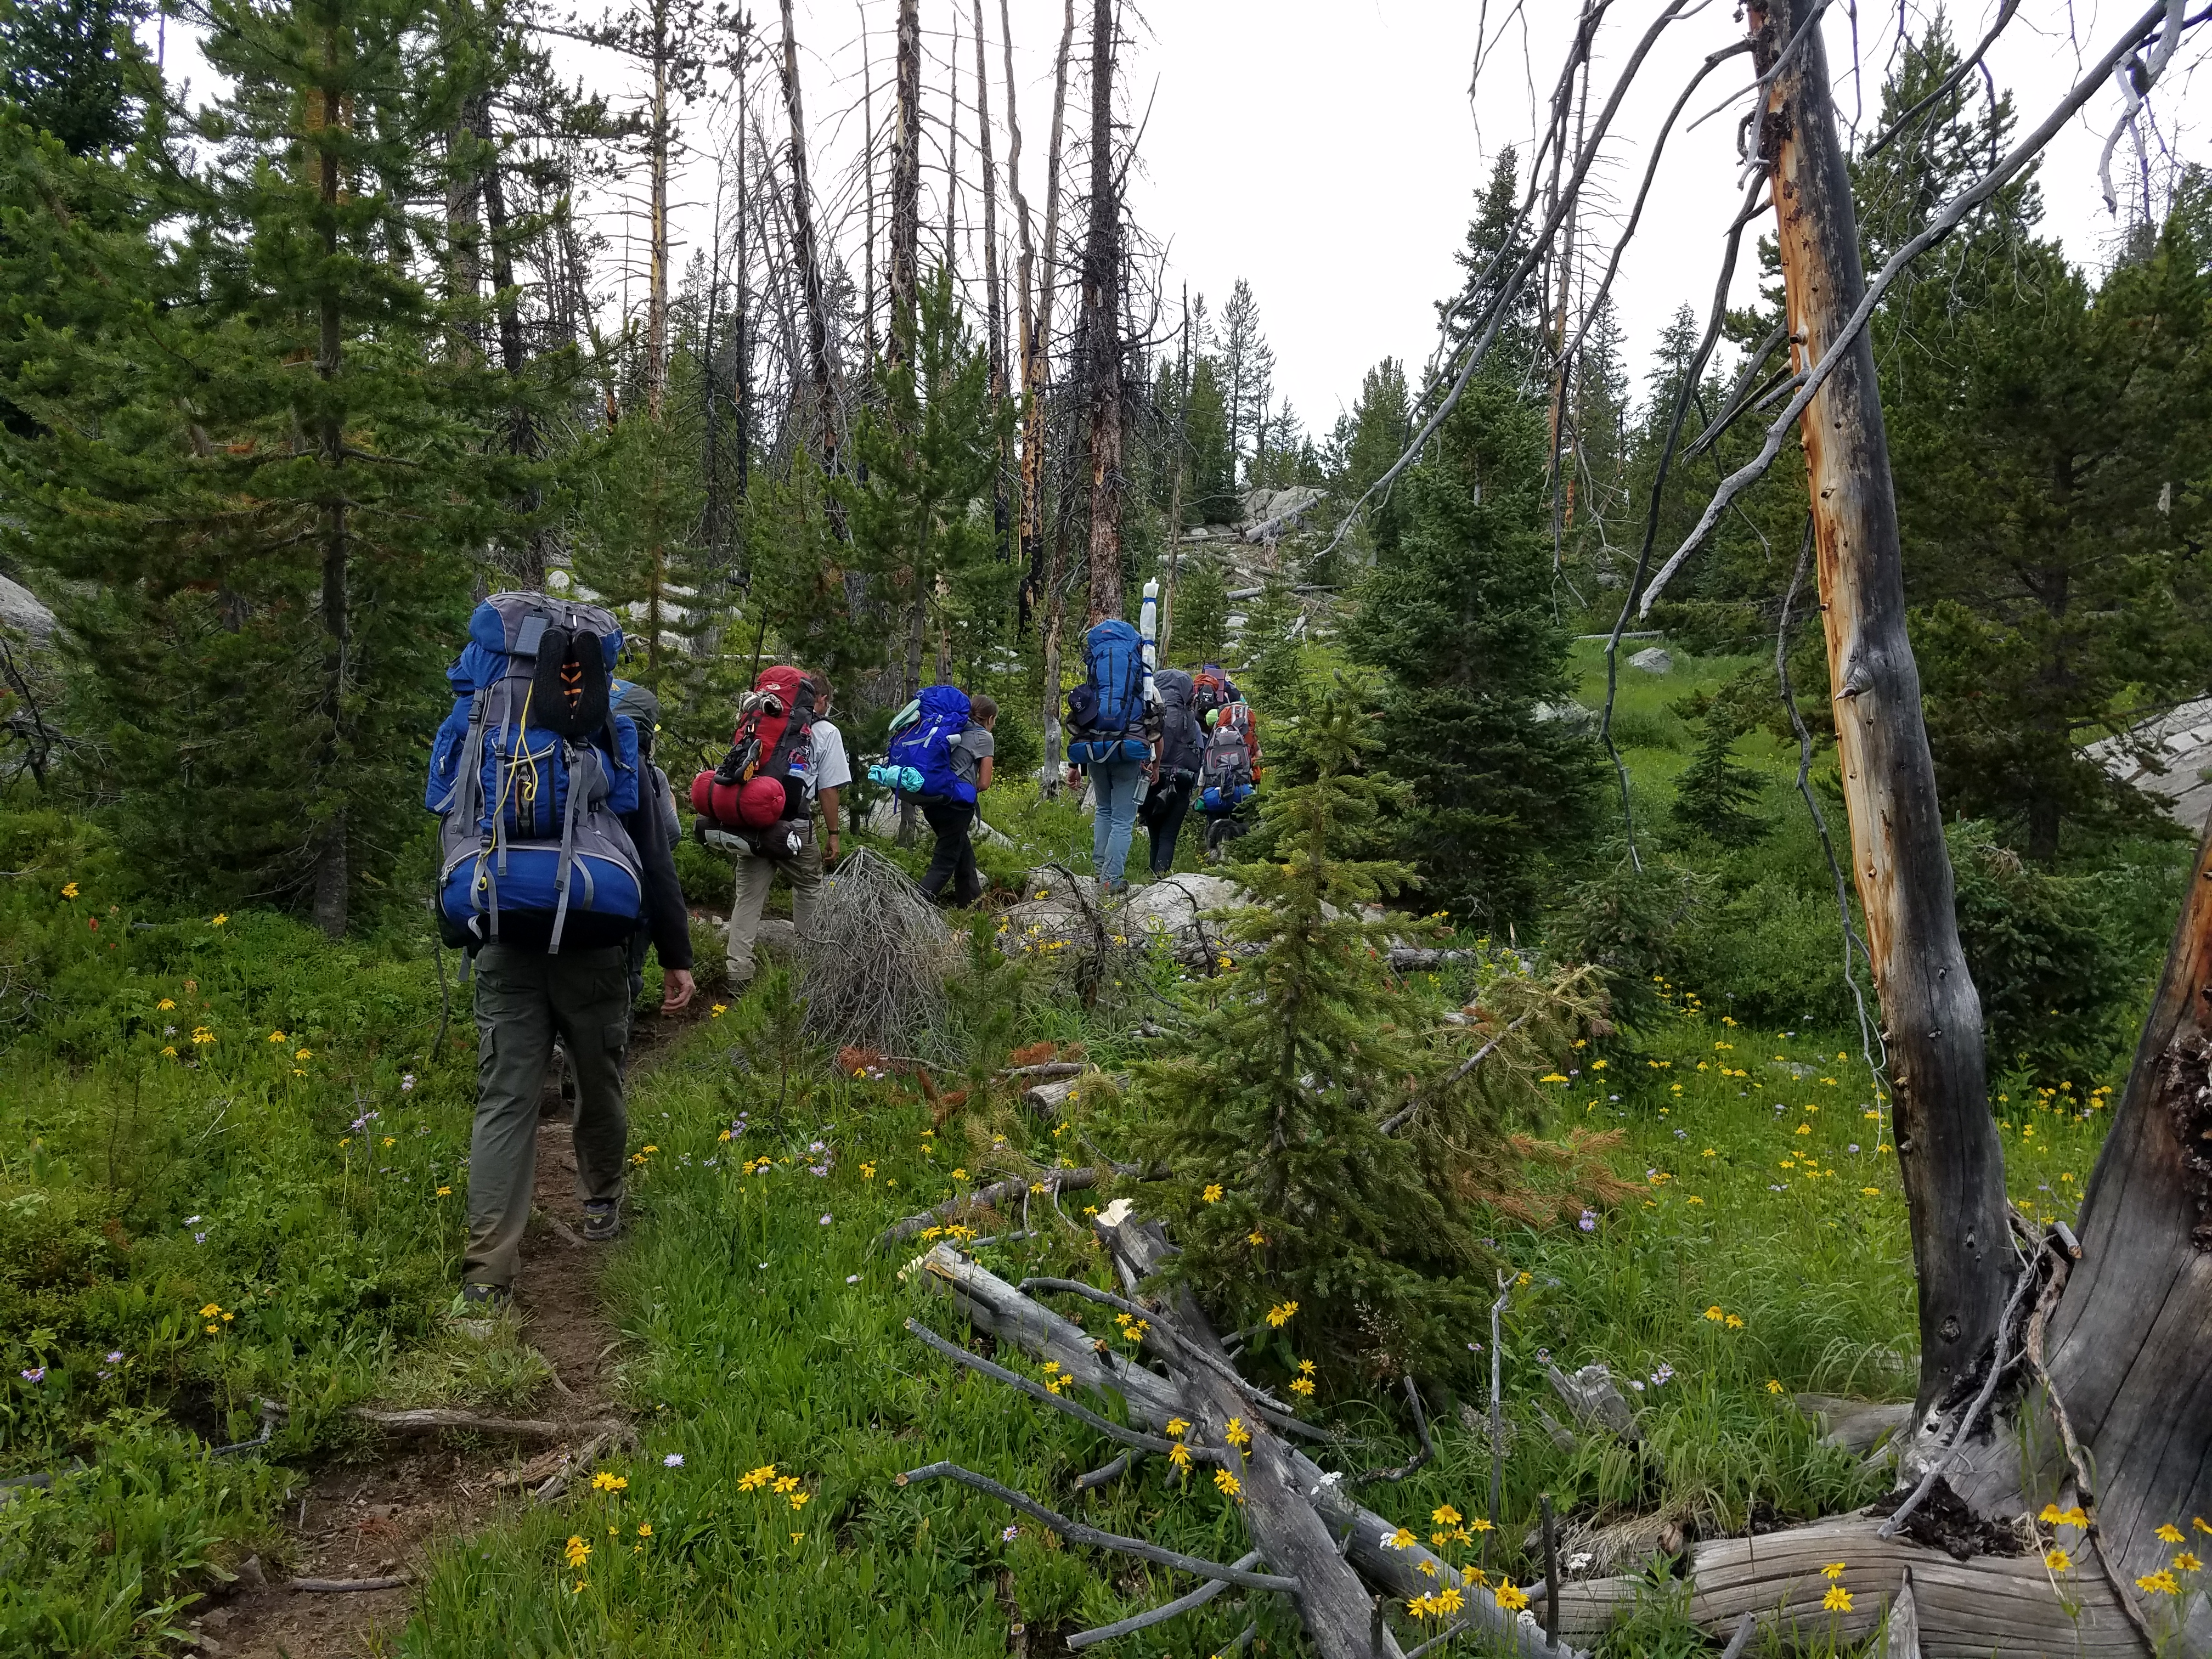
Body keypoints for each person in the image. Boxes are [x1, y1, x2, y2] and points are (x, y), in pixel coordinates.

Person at [430, 596, 696, 1317]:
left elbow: (453, 825)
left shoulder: (485, 726)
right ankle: (602, 1204)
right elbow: (653, 857)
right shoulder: (610, 734)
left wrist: (466, 929)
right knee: (598, 1079)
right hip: (596, 939)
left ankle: (486, 1273)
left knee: (505, 1101)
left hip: (504, 937)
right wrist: (677, 955)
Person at [723, 670, 850, 989]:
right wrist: (833, 834)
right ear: (820, 700)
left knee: (749, 896)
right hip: (794, 822)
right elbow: (829, 789)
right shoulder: (826, 732)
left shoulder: (761, 719)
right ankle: (811, 967)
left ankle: (738, 972)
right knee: (808, 888)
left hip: (751, 818)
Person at [917, 692, 996, 906]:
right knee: (944, 864)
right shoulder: (984, 737)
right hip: (956, 807)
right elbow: (984, 783)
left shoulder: (953, 727)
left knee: (964, 855)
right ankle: (911, 908)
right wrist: (967, 790)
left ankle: (972, 906)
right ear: (990, 719)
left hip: (932, 803)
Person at [1137, 668, 1203, 879]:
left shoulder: (1149, 716)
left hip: (1151, 778)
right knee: (1168, 836)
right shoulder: (1190, 720)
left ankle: (1152, 878)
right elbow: (1198, 753)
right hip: (1180, 782)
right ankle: (1160, 879)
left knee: (1155, 834)